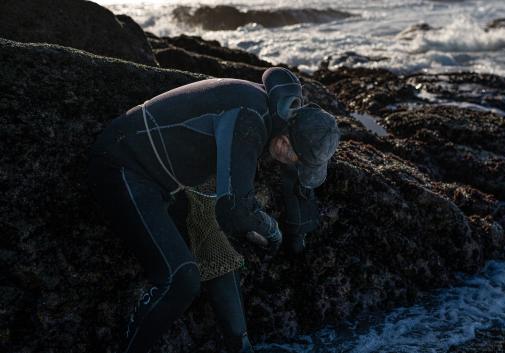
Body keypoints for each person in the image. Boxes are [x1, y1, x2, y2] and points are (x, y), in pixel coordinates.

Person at [86, 67, 340, 353]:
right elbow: (232, 210)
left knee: (214, 246)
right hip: (124, 166)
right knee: (181, 279)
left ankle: (241, 346)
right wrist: (270, 229)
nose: (295, 168)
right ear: (284, 143)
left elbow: (229, 204)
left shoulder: (276, 111)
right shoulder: (250, 120)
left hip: (167, 180)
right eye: (298, 162)